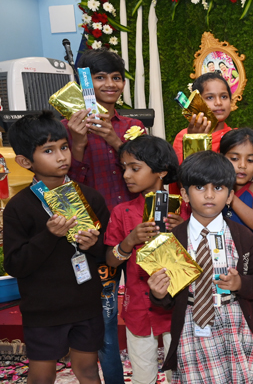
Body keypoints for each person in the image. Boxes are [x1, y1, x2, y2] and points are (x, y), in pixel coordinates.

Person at [148, 151, 253, 383]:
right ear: (184, 194)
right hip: (192, 327)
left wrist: (240, 283)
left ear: (229, 196)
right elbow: (168, 299)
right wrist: (158, 293)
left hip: (236, 324)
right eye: (199, 188)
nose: (209, 195)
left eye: (218, 188)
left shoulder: (242, 236)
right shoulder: (173, 241)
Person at [3, 111, 108, 384]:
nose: (62, 156)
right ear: (25, 161)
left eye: (64, 147)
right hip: (43, 308)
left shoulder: (90, 197)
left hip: (85, 303)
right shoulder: (19, 207)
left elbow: (106, 252)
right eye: (49, 150)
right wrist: (48, 235)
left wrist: (94, 244)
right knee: (42, 375)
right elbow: (15, 264)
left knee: (87, 370)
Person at [64, 48, 144, 384]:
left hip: (137, 232)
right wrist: (78, 144)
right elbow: (68, 187)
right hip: (95, 238)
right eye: (100, 77)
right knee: (106, 320)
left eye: (116, 77)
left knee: (150, 307)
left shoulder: (133, 126)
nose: (109, 84)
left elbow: (149, 172)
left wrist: (114, 138)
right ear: (85, 82)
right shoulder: (69, 128)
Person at [104, 135, 185, 384]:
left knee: (181, 373)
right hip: (138, 305)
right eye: (124, 168)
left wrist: (183, 230)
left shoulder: (183, 210)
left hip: (178, 306)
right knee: (142, 374)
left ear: (161, 171)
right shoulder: (122, 212)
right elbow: (111, 261)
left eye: (135, 168)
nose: (127, 175)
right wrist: (129, 241)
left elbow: (199, 257)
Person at [219, 128, 253, 257]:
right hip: (222, 258)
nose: (242, 165)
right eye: (234, 158)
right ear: (221, 158)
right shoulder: (213, 189)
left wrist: (231, 197)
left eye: (250, 160)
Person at [172, 72, 233, 163]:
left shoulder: (236, 138)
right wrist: (195, 140)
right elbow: (185, 174)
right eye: (210, 98)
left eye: (224, 96)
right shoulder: (183, 137)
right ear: (197, 101)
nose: (219, 102)